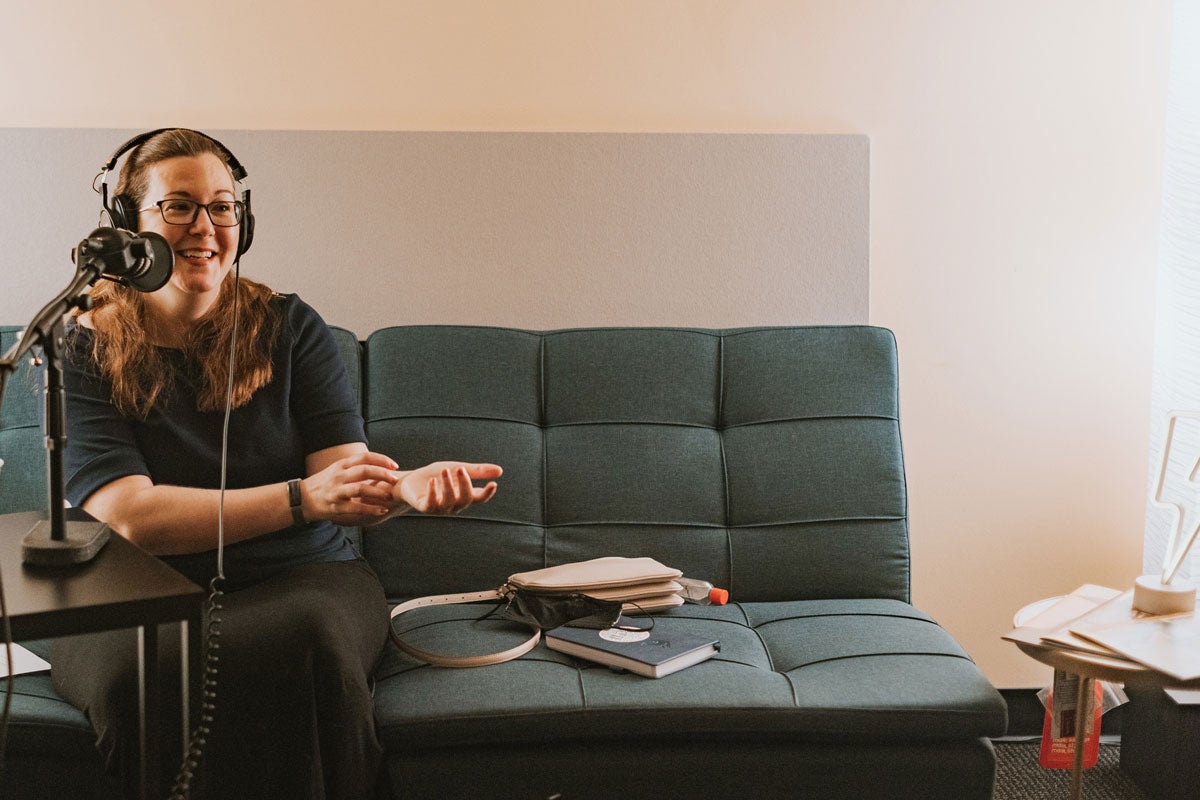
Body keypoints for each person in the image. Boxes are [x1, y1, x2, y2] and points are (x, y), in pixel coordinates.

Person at [50, 127, 502, 799]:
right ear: (128, 225)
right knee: (142, 674)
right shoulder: (78, 340)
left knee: (306, 638)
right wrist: (301, 498)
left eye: (223, 206)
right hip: (134, 591)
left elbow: (342, 475)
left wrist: (403, 487)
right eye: (179, 206)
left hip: (304, 577)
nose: (206, 226)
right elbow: (132, 516)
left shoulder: (290, 328)